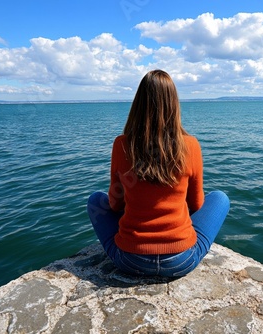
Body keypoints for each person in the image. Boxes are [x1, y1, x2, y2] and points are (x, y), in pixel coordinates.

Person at [87, 69, 229, 277]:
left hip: (129, 260)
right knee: (219, 198)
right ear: (174, 104)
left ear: (138, 104)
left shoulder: (121, 144)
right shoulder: (190, 145)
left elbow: (115, 204)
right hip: (181, 261)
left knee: (95, 200)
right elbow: (197, 205)